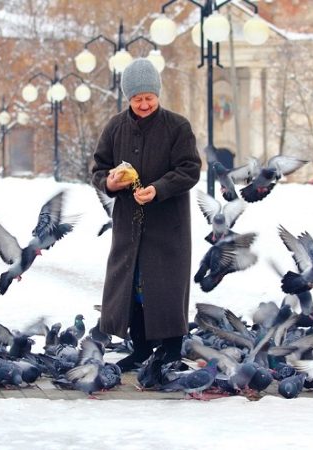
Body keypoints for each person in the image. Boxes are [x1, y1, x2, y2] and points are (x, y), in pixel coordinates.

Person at [91, 58, 201, 372]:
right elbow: (99, 168)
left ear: (157, 95)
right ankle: (140, 349)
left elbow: (190, 169)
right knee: (133, 285)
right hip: (130, 222)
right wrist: (110, 181)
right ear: (128, 98)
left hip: (168, 224)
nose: (143, 104)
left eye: (149, 97)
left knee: (166, 286)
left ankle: (170, 350)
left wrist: (158, 189)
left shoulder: (177, 126)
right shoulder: (115, 127)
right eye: (137, 98)